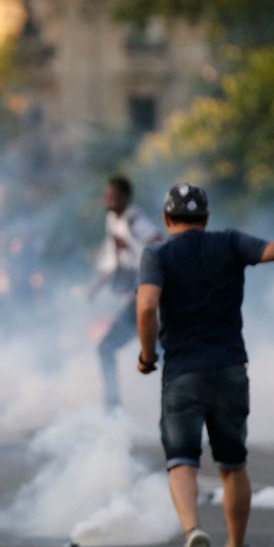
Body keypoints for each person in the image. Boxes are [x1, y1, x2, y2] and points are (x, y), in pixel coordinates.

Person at [136, 182, 274, 547]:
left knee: (182, 463)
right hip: (229, 370)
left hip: (182, 373)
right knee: (232, 465)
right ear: (205, 219)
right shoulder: (229, 243)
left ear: (167, 219)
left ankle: (192, 532)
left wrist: (147, 355)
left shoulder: (157, 254)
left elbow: (147, 305)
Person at [92, 175, 161, 411]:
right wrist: (93, 291)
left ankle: (113, 408)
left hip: (146, 296)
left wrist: (147, 282)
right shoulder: (113, 220)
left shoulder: (134, 219)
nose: (108, 200)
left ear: (126, 197)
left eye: (113, 196)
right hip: (139, 297)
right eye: (107, 195)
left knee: (107, 348)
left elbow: (157, 242)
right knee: (160, 350)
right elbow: (112, 262)